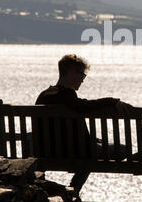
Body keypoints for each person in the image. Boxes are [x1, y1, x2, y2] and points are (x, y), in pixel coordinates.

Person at [35, 54, 131, 193]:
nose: (82, 80)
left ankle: (62, 190)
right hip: (74, 151)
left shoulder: (43, 95)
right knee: (123, 149)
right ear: (72, 72)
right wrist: (112, 100)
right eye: (82, 75)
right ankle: (74, 190)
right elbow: (84, 106)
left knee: (89, 149)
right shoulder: (67, 95)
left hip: (47, 151)